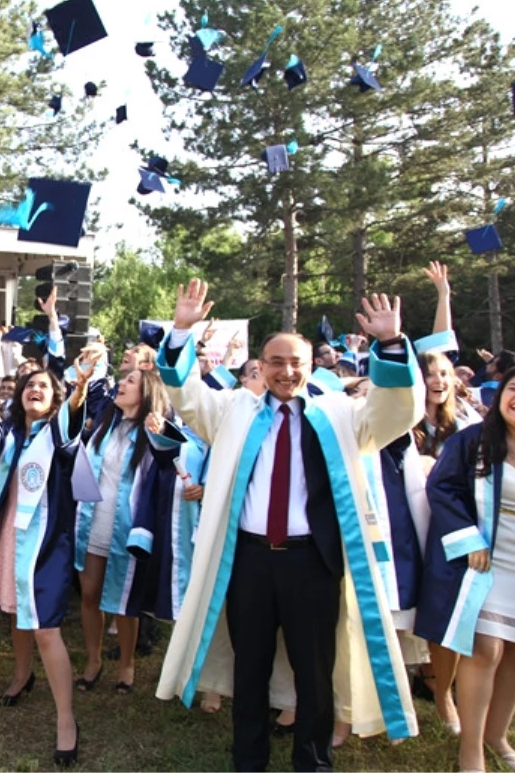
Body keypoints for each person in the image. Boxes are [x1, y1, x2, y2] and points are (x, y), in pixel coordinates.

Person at [155, 280, 423, 772]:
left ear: (311, 366)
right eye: (275, 362)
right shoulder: (234, 410)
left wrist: (389, 344)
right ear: (259, 366)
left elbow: (395, 412)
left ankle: (313, 762)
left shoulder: (340, 414)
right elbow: (185, 394)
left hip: (311, 563)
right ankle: (248, 761)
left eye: (296, 361)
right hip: (250, 562)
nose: (286, 370)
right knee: (250, 667)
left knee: (314, 673)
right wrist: (180, 331)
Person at [0, 349, 94, 765]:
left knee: (46, 629)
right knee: (15, 615)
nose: (34, 389)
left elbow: (71, 423)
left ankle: (66, 719)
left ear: (55, 398)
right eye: (30, 384)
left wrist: (80, 386)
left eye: (44, 386)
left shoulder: (58, 434)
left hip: (46, 543)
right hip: (10, 536)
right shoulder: (10, 434)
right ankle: (21, 675)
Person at [415, 364, 515, 773]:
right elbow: (442, 488)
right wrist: (468, 538)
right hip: (481, 559)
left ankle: (496, 736)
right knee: (484, 648)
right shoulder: (473, 441)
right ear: (499, 395)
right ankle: (471, 751)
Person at [74, 354, 205, 696]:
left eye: (130, 381)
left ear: (146, 392)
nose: (122, 383)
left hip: (127, 526)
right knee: (89, 594)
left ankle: (127, 665)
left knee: (122, 600)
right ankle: (93, 660)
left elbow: (178, 460)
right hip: (92, 522)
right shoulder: (106, 421)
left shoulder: (157, 432)